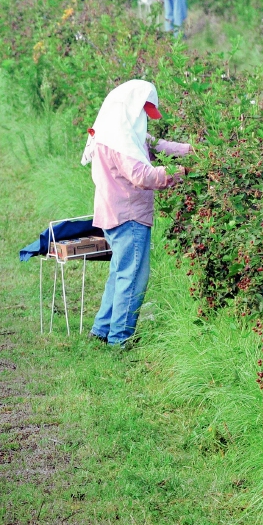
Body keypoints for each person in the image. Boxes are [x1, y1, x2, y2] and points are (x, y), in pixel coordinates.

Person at [82, 80, 192, 348]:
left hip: (113, 212)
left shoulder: (116, 132)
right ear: (131, 107)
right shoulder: (121, 142)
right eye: (143, 110)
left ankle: (102, 329)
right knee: (133, 278)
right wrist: (182, 172)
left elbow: (157, 144)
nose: (144, 117)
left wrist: (192, 151)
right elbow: (142, 176)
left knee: (120, 272)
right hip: (129, 215)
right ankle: (120, 339)